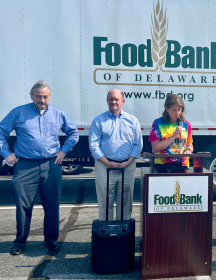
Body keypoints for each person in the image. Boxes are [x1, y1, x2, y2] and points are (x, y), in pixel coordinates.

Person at [0, 80, 79, 255]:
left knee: (52, 205)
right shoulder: (18, 112)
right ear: (31, 96)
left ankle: (51, 240)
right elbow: (1, 132)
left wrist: (63, 151)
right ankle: (20, 241)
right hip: (25, 165)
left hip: (51, 164)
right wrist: (6, 154)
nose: (42, 99)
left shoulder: (58, 113)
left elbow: (73, 133)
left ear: (49, 97)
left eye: (45, 96)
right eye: (38, 96)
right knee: (22, 206)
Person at [89, 89, 142, 221]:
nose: (114, 102)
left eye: (116, 99)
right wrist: (107, 163)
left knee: (125, 203)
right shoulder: (98, 121)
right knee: (105, 203)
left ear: (123, 101)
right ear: (107, 101)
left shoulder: (133, 121)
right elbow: (93, 145)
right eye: (111, 99)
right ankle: (106, 236)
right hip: (104, 166)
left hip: (127, 166)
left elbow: (138, 144)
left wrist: (128, 162)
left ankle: (122, 236)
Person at [148, 94, 193, 173]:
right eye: (173, 110)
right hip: (163, 167)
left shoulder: (186, 124)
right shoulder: (158, 123)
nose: (177, 113)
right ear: (166, 109)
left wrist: (188, 150)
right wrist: (173, 137)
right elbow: (155, 148)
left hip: (183, 166)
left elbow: (189, 144)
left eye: (179, 109)